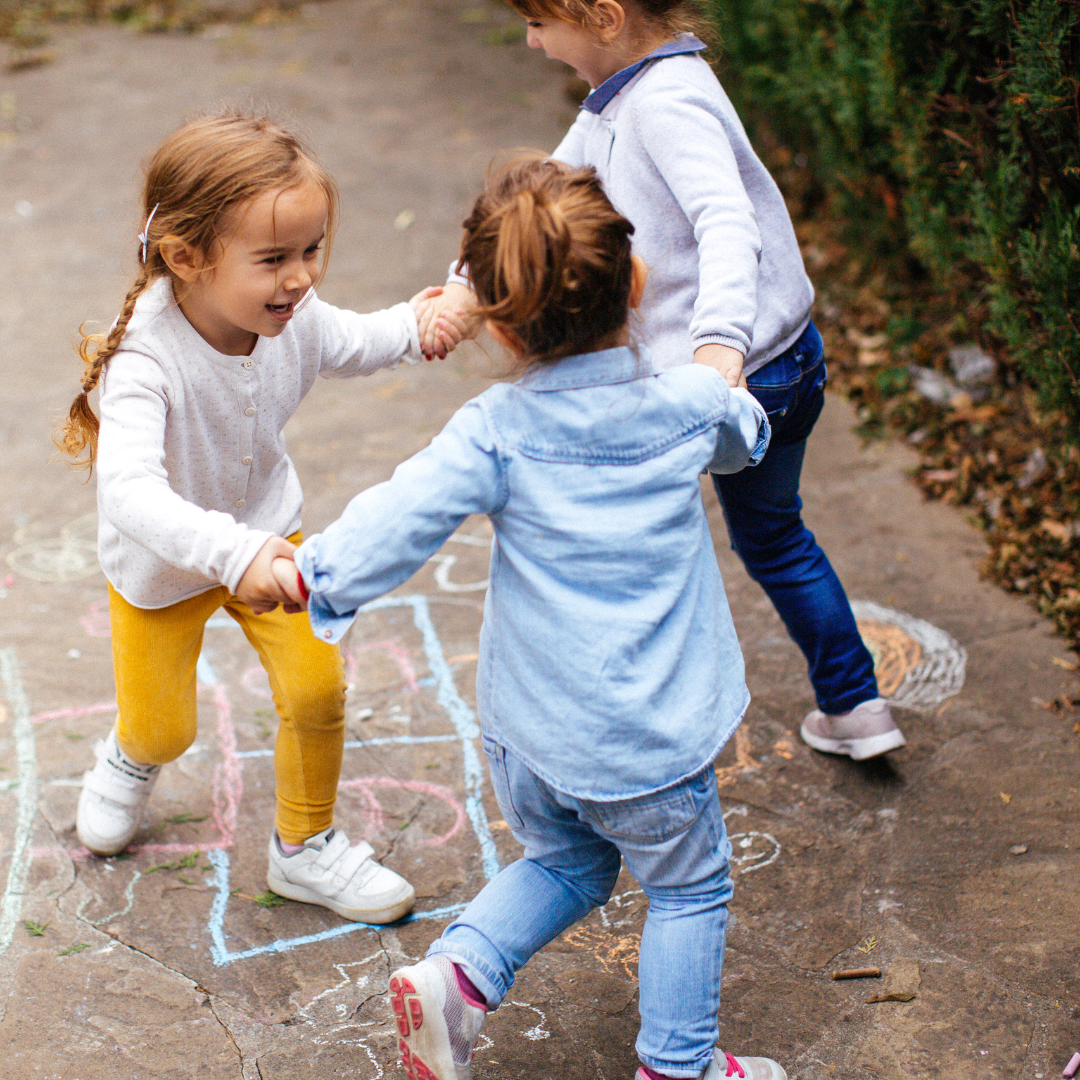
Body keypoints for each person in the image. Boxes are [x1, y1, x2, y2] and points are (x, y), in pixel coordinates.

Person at [272, 157, 785, 1080]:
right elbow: (745, 436)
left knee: (568, 863)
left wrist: (317, 572)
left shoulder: (498, 428)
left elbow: (402, 513)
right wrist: (722, 377)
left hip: (533, 735)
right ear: (636, 283)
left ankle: (459, 978)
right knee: (689, 886)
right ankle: (679, 1066)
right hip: (650, 742)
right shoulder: (684, 408)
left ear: (499, 327)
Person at [418, 0, 905, 762]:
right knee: (776, 538)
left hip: (738, 377)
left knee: (640, 542)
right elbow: (540, 199)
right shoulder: (624, 95)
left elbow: (726, 221)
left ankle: (641, 726)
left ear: (604, 17)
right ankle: (856, 707)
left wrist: (719, 347)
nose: (529, 39)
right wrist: (462, 284)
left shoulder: (668, 102)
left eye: (541, 23)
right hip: (784, 357)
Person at [55, 112, 463, 923]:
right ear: (185, 258)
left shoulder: (294, 315)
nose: (302, 278)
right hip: (166, 568)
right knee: (165, 728)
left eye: (312, 250)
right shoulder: (146, 359)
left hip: (272, 539)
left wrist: (420, 326)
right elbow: (129, 491)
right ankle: (132, 757)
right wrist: (231, 554)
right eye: (274, 259)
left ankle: (303, 849)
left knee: (317, 691)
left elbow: (356, 338)